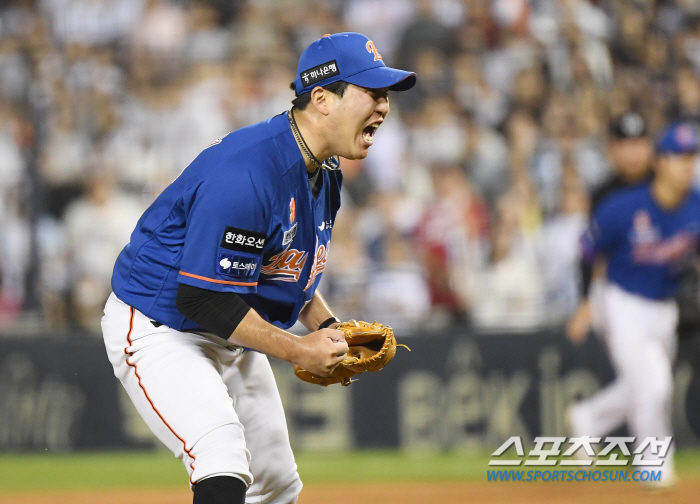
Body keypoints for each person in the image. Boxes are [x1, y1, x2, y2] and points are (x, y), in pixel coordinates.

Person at [100, 32, 416, 504]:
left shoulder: (324, 173)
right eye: (372, 93)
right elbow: (201, 297)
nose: (384, 107)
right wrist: (298, 350)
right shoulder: (247, 173)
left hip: (230, 327)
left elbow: (290, 275)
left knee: (277, 484)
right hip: (160, 326)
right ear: (323, 99)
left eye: (386, 95)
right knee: (220, 456)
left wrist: (327, 327)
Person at [567, 122, 700, 486]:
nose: (686, 165)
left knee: (645, 383)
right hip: (620, 301)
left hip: (663, 306)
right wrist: (583, 303)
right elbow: (585, 253)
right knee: (654, 383)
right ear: (660, 162)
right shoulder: (623, 207)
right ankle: (654, 466)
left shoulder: (696, 206)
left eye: (691, 157)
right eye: (677, 157)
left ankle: (591, 418)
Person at [567, 111, 654, 342]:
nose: (633, 152)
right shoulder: (604, 194)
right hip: (623, 294)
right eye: (625, 145)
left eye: (638, 143)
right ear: (612, 149)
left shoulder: (665, 187)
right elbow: (588, 251)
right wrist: (585, 300)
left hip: (670, 290)